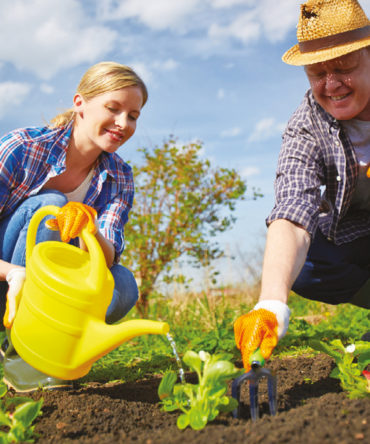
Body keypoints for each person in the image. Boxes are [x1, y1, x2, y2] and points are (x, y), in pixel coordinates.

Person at [234, 0, 370, 371]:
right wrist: (270, 304)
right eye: (316, 73)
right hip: (358, 232)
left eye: (344, 68)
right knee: (305, 265)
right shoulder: (306, 124)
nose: (331, 85)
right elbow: (293, 210)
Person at [0, 61, 148, 391]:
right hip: (7, 278)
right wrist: (14, 273)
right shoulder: (22, 148)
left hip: (51, 289)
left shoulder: (120, 176)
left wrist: (90, 226)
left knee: (121, 285)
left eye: (133, 115)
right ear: (79, 103)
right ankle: (22, 354)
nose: (123, 123)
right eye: (113, 108)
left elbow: (106, 259)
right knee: (51, 205)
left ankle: (52, 345)